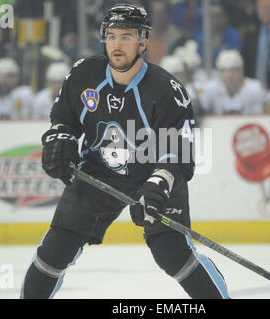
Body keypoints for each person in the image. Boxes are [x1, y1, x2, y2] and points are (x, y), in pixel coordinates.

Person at [20, 3, 230, 299]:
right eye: (112, 36)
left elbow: (178, 154)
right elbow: (63, 119)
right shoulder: (83, 75)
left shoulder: (166, 90)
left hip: (154, 173)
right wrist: (60, 139)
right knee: (55, 249)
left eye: (126, 37)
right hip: (97, 173)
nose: (117, 44)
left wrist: (157, 186)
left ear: (143, 42)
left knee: (172, 253)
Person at [199, 50, 269, 115]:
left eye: (234, 71)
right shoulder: (210, 88)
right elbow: (200, 113)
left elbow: (263, 119)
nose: (229, 76)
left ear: (241, 71)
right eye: (224, 71)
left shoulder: (256, 89)